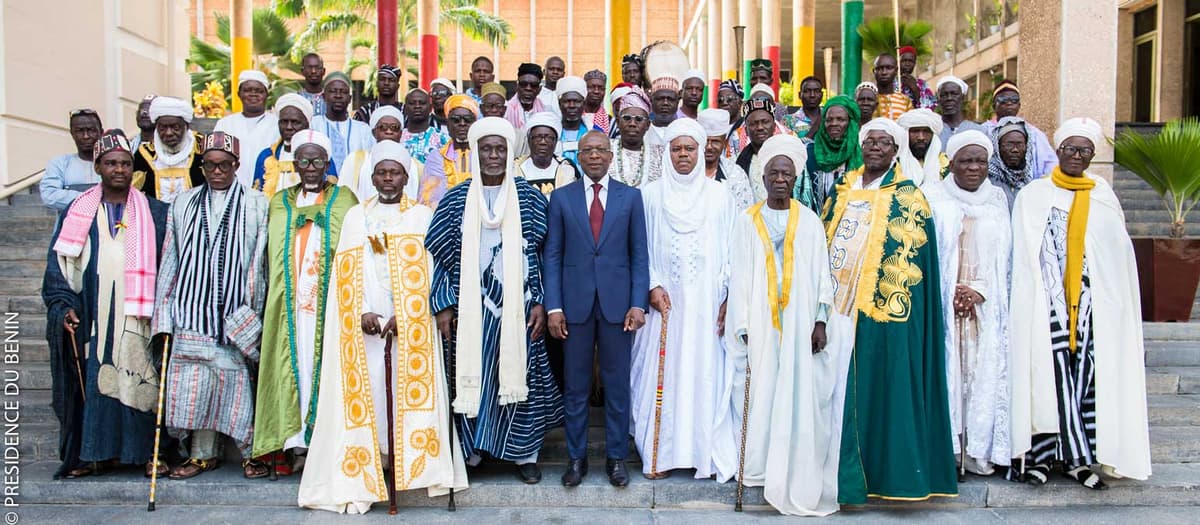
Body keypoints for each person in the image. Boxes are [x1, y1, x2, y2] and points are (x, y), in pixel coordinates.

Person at [298, 141, 467, 512]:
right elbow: (348, 274)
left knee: (404, 398)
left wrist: (405, 315)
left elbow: (431, 275)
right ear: (371, 177)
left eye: (395, 172)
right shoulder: (359, 217)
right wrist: (362, 311)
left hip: (410, 330)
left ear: (407, 177)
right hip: (366, 334)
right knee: (371, 398)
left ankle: (411, 470)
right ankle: (371, 471)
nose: (388, 179)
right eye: (381, 172)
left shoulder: (421, 217)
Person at [1009, 118, 1151, 489]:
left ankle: (1079, 461)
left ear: (1092, 155)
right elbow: (1024, 257)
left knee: (1085, 380)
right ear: (1057, 151)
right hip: (1046, 304)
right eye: (1070, 149)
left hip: (1092, 310)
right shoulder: (1034, 195)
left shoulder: (1103, 197)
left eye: (1084, 150)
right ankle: (1040, 460)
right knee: (1045, 377)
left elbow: (1116, 257)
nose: (1076, 155)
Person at [823, 118, 956, 504]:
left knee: (884, 394)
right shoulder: (842, 189)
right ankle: (836, 477)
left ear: (896, 150)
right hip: (835, 313)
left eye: (884, 143)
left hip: (885, 316)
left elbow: (918, 267)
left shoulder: (910, 197)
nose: (875, 148)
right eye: (870, 142)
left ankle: (885, 477)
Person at [425, 117, 564, 484]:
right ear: (475, 152)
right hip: (470, 311)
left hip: (517, 309)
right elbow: (440, 257)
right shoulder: (456, 199)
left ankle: (525, 455)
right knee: (472, 376)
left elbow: (541, 253)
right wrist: (442, 305)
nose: (493, 155)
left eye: (500, 149)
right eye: (486, 148)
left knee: (521, 375)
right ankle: (473, 451)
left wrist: (539, 302)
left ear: (509, 153)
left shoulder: (531, 199)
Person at [42, 129, 169, 479]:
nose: (119, 169)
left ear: (134, 169)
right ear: (97, 166)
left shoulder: (155, 212)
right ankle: (92, 454)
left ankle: (148, 453)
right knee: (96, 382)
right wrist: (63, 304)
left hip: (138, 315)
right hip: (92, 316)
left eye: (126, 163)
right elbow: (59, 264)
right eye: (111, 163)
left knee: (140, 381)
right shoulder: (77, 211)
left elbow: (171, 265)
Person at [725, 133, 838, 516]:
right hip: (759, 321)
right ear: (763, 175)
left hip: (801, 321)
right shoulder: (747, 220)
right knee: (762, 391)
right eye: (773, 172)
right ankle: (756, 471)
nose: (779, 179)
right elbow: (738, 275)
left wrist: (820, 321)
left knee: (796, 391)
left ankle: (792, 467)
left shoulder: (809, 221)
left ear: (794, 178)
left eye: (786, 174)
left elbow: (823, 275)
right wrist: (741, 323)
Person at [151, 132, 270, 480]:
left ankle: (250, 453)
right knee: (195, 387)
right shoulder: (183, 203)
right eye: (209, 165)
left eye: (224, 165)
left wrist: (252, 310)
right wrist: (165, 312)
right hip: (191, 309)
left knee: (238, 386)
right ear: (201, 166)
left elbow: (258, 262)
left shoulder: (257, 202)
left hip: (236, 312)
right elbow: (170, 258)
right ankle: (202, 455)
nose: (217, 172)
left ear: (237, 165)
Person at [631, 118, 738, 481]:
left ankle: (702, 455)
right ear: (667, 153)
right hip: (663, 306)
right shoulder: (649, 195)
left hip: (708, 304)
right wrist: (652, 284)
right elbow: (638, 249)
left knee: (702, 372)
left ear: (701, 150)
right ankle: (659, 455)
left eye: (689, 148)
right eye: (675, 148)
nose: (683, 155)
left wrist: (727, 296)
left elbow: (731, 251)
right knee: (659, 376)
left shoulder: (721, 196)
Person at [544, 130, 649, 488]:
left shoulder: (631, 198)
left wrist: (638, 303)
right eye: (586, 150)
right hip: (573, 306)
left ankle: (616, 459)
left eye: (600, 150)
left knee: (617, 386)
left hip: (619, 307)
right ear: (579, 156)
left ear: (610, 154)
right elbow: (553, 256)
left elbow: (639, 255)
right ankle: (576, 459)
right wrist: (553, 307)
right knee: (576, 387)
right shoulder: (561, 198)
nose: (593, 156)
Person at [252, 130, 359, 474]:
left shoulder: (344, 200)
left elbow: (353, 248)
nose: (311, 167)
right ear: (294, 164)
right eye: (304, 161)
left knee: (326, 370)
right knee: (292, 368)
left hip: (330, 306)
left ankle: (326, 447)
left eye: (317, 161)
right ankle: (293, 445)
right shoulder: (279, 202)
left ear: (328, 163)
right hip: (289, 309)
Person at [924, 130, 1012, 477]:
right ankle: (949, 450)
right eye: (966, 161)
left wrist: (980, 291)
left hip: (984, 304)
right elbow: (926, 253)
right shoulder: (933, 195)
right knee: (948, 373)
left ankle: (976, 450)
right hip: (945, 300)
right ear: (952, 163)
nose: (974, 167)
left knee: (980, 374)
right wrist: (952, 290)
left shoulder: (997, 199)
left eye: (980, 161)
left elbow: (1005, 257)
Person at [251, 94, 335, 199]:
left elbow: (332, 196)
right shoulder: (266, 156)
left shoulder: (322, 157)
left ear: (306, 125)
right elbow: (255, 198)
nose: (289, 127)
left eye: (295, 122)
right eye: (284, 122)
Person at [132, 96, 205, 204]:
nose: (168, 133)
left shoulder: (203, 148)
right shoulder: (144, 154)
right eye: (162, 128)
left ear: (186, 126)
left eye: (175, 127)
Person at [214, 70, 280, 188]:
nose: (253, 94)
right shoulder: (224, 124)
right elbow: (216, 158)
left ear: (267, 94)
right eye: (248, 90)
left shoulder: (277, 124)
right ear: (239, 94)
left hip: (267, 190)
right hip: (231, 191)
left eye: (259, 91)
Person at [984, 80, 1057, 179]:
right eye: (1003, 100)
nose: (1009, 103)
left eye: (1014, 100)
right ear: (994, 105)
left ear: (1019, 105)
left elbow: (1050, 167)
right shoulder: (983, 131)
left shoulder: (1035, 134)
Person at [338, 105, 409, 201]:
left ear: (401, 133)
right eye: (383, 127)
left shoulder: (412, 164)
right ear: (374, 132)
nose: (389, 131)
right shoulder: (354, 159)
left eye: (394, 127)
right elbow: (343, 196)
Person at [804, 96, 862, 211]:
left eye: (840, 119)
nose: (833, 123)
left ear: (851, 122)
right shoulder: (809, 153)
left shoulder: (863, 154)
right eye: (829, 120)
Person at [310, 72, 373, 176]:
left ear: (349, 98)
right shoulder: (314, 125)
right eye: (333, 91)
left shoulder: (362, 130)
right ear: (324, 96)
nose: (338, 96)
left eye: (343, 92)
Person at [423, 94, 480, 206]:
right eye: (456, 120)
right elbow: (429, 199)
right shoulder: (436, 158)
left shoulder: (484, 155)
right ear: (448, 124)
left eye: (467, 120)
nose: (462, 124)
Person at [41, 109, 102, 210]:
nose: (86, 136)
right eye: (79, 131)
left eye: (91, 130)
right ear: (72, 133)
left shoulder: (112, 165)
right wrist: (96, 200)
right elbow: (49, 195)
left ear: (101, 132)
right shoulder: (59, 164)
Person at [698, 108, 755, 211]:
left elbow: (744, 212)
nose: (709, 147)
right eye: (705, 141)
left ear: (724, 143)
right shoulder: (687, 172)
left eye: (715, 142)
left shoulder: (735, 174)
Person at [607, 88, 663, 188]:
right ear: (618, 122)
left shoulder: (660, 154)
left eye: (639, 119)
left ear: (648, 125)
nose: (632, 124)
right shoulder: (605, 150)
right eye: (627, 118)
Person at [518, 112, 579, 196]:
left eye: (548, 137)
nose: (543, 142)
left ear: (555, 141)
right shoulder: (516, 168)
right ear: (529, 140)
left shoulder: (566, 167)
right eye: (538, 137)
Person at [989, 116, 1043, 207]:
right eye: (1009, 144)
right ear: (998, 147)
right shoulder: (987, 181)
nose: (1015, 150)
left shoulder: (1029, 184)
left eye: (1020, 144)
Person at [735, 98, 781, 202]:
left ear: (774, 127)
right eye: (754, 123)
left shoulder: (788, 158)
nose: (760, 127)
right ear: (746, 130)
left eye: (765, 122)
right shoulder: (738, 164)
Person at [399, 88, 449, 166]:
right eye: (412, 103)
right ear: (405, 109)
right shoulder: (397, 138)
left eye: (422, 103)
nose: (417, 106)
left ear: (430, 108)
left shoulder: (443, 139)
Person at [897, 108, 947, 187]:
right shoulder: (894, 163)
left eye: (926, 131)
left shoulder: (946, 163)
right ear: (906, 134)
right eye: (915, 131)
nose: (921, 137)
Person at [936, 76, 985, 146]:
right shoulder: (932, 131)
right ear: (938, 99)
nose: (949, 98)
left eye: (954, 94)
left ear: (963, 98)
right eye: (944, 95)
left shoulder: (979, 131)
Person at [555, 76, 590, 165]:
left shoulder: (593, 131)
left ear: (584, 104)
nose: (572, 105)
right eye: (567, 101)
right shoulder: (552, 133)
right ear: (559, 104)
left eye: (576, 101)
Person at [506, 63, 550, 131]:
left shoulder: (546, 111)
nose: (528, 88)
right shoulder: (505, 111)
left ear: (539, 89)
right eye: (523, 84)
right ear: (517, 86)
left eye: (533, 85)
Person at [871, 54, 912, 120]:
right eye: (879, 68)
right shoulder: (868, 100)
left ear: (896, 71)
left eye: (889, 68)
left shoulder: (905, 100)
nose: (884, 72)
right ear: (874, 71)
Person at [645, 76, 681, 148]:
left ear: (677, 102)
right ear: (651, 101)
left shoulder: (684, 131)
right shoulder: (643, 133)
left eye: (670, 99)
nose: (665, 103)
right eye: (660, 99)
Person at [717, 80, 746, 158]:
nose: (724, 103)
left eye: (729, 99)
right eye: (720, 100)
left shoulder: (746, 127)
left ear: (740, 102)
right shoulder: (716, 129)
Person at [583, 70, 612, 134]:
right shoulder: (575, 118)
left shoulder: (610, 121)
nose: (596, 91)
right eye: (592, 87)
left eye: (601, 88)